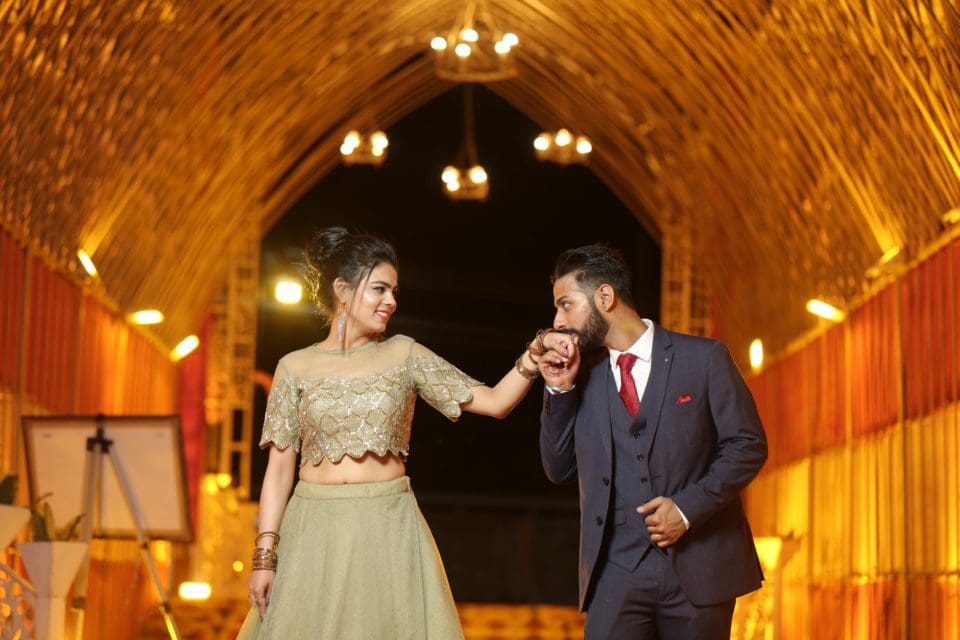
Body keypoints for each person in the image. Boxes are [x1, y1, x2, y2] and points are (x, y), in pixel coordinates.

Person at [237, 227, 570, 639]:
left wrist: (533, 358)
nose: (391, 302)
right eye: (379, 289)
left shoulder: (404, 354)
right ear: (342, 290)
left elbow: (496, 402)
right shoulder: (293, 367)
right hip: (312, 530)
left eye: (394, 292)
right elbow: (278, 471)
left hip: (386, 525)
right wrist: (264, 558)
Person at [537, 243, 768, 639]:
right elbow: (558, 469)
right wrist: (559, 390)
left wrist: (686, 509)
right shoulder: (582, 379)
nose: (558, 321)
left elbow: (747, 444)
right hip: (615, 573)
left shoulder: (704, 358)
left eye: (566, 305)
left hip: (701, 566)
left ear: (604, 297)